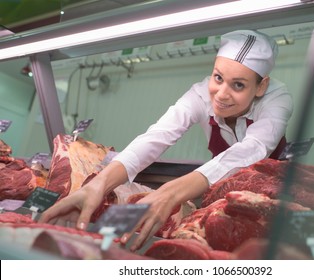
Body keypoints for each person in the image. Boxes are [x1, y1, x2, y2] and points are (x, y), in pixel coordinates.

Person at [39, 30, 293, 251]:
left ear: (261, 87)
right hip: (222, 192)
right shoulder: (200, 94)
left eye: (238, 85)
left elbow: (255, 147)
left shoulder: (277, 100)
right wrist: (99, 184)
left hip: (270, 197)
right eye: (218, 78)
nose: (222, 94)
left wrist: (170, 193)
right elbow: (157, 136)